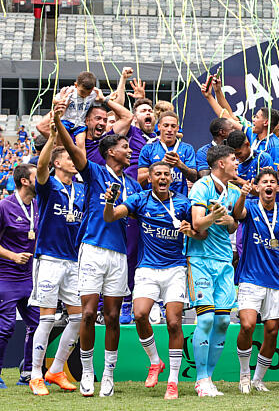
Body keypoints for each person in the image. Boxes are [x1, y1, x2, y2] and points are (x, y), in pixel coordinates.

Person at [54, 105, 142, 397]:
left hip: (119, 256)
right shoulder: (93, 172)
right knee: (89, 313)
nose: (129, 151)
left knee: (114, 316)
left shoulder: (131, 184)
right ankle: (88, 372)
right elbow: (69, 145)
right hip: (92, 248)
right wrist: (57, 120)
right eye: (124, 146)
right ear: (110, 151)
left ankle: (108, 374)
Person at [104, 162, 195, 399]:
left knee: (174, 323)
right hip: (147, 269)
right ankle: (155, 361)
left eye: (166, 174)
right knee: (140, 315)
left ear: (172, 178)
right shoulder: (140, 200)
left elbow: (200, 232)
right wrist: (109, 201)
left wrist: (190, 230)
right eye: (158, 174)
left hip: (175, 269)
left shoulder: (184, 203)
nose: (163, 178)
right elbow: (111, 216)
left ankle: (173, 381)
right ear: (151, 178)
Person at [231, 168, 279, 393]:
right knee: (248, 325)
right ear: (258, 187)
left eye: (273, 182)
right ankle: (243, 375)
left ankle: (258, 379)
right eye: (264, 182)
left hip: (276, 281)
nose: (269, 185)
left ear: (277, 188)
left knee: (272, 331)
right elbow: (236, 214)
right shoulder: (250, 206)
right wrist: (242, 194)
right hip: (250, 278)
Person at [28, 126, 85, 395]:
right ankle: (35, 374)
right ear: (58, 162)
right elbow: (40, 167)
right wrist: (52, 138)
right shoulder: (48, 185)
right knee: (47, 319)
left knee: (78, 319)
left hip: (73, 261)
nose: (75, 161)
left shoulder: (81, 191)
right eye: (70, 158)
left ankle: (56, 369)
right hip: (49, 259)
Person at [187, 144, 241, 397]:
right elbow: (198, 223)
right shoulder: (201, 186)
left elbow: (231, 227)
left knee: (222, 321)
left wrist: (230, 220)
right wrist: (213, 214)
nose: (237, 162)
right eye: (233, 159)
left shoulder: (234, 191)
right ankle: (200, 379)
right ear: (221, 163)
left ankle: (209, 377)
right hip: (200, 259)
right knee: (206, 318)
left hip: (223, 260)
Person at [0, 164, 39, 389]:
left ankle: (27, 372)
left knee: (37, 325)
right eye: (36, 177)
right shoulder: (4, 206)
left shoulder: (37, 205)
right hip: (6, 276)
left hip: (31, 277)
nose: (41, 180)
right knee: (5, 328)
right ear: (24, 181)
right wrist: (13, 256)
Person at [137, 112, 198, 194]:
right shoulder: (148, 149)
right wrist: (161, 165)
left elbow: (194, 177)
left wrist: (179, 164)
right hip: (153, 201)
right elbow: (140, 181)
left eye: (173, 126)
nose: (169, 130)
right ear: (159, 127)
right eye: (166, 125)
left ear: (177, 128)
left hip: (179, 200)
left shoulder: (187, 149)